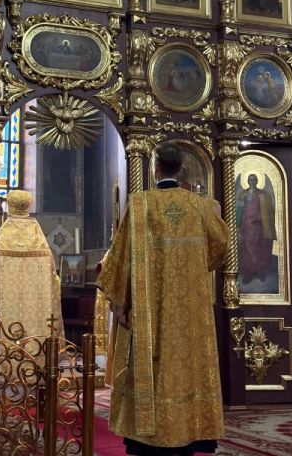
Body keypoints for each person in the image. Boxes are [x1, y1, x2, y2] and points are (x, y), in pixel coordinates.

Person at [97, 142, 229, 456]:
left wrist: (122, 303)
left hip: (150, 310)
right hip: (190, 312)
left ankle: (149, 438)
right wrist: (197, 267)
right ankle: (190, 431)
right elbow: (222, 246)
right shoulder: (201, 206)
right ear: (180, 169)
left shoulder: (140, 204)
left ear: (155, 168)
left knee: (152, 367)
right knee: (187, 367)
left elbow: (121, 258)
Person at [0, 190, 64, 338]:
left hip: (6, 310)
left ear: (9, 206)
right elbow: (52, 277)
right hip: (35, 315)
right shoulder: (40, 243)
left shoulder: (0, 240)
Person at [236, 173, 276, 284]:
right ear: (247, 181)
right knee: (248, 250)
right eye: (250, 179)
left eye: (254, 179)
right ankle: (248, 273)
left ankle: (259, 272)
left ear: (257, 181)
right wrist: (238, 225)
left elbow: (269, 212)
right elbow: (239, 211)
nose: (252, 181)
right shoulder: (243, 195)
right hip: (247, 227)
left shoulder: (263, 195)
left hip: (259, 227)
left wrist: (262, 219)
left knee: (259, 249)